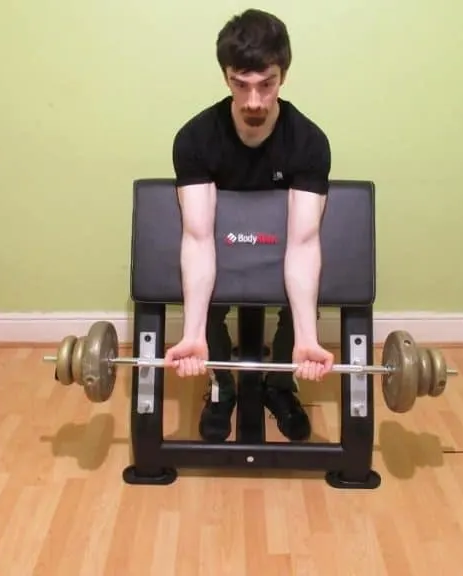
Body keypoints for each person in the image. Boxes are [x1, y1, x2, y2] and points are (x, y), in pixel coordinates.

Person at [163, 9, 336, 443]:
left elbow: (303, 241)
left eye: (266, 85)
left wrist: (310, 339)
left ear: (283, 76)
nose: (254, 101)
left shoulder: (309, 143)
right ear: (226, 77)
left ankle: (280, 383)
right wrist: (193, 333)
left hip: (281, 247)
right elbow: (198, 237)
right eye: (241, 85)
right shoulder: (195, 138)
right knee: (213, 298)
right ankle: (222, 384)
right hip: (222, 248)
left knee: (304, 295)